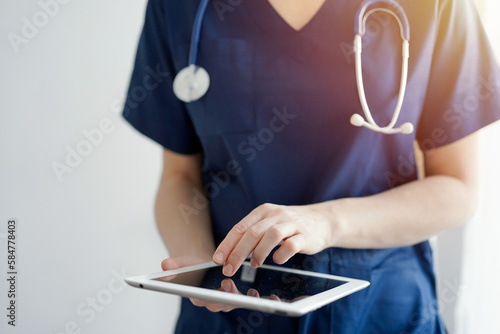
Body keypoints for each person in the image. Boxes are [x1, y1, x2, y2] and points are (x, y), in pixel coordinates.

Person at [123, 0, 500, 332]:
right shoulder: (179, 6)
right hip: (227, 311)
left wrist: (326, 221)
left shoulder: (437, 5)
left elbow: (457, 188)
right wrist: (198, 263)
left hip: (377, 309)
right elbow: (179, 176)